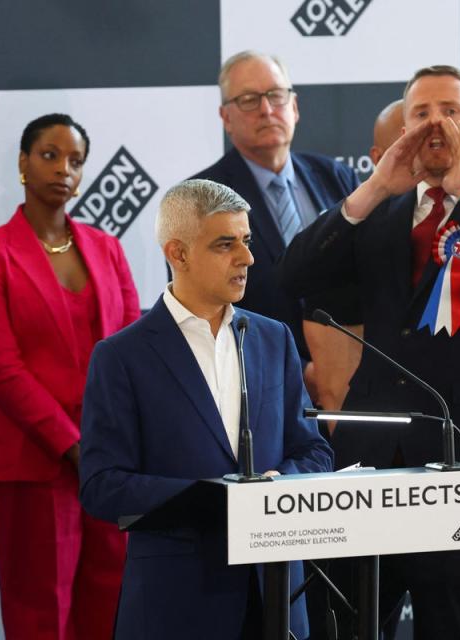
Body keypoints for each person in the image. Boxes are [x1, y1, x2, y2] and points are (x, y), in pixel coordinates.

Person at [278, 65, 460, 639]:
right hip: (371, 456)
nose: (434, 123)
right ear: (402, 129)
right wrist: (376, 187)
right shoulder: (375, 215)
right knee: (352, 623)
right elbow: (292, 275)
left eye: (450, 111)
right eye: (420, 113)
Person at [79, 178, 333, 640]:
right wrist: (212, 498)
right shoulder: (121, 356)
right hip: (177, 605)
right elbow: (102, 485)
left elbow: (312, 451)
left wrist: (280, 488)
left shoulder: (274, 339)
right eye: (225, 244)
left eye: (248, 241)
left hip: (276, 597)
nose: (248, 258)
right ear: (177, 254)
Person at [0, 113, 139, 640]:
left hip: (109, 460)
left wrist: (107, 444)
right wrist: (72, 445)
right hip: (34, 461)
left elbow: (131, 351)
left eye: (76, 160)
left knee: (110, 604)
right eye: (49, 155)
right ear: (22, 163)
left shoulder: (107, 248)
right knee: (40, 614)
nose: (64, 169)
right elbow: (0, 368)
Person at [191, 51, 362, 397]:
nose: (267, 110)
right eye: (249, 100)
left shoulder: (337, 178)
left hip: (351, 387)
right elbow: (202, 312)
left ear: (294, 107)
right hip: (257, 390)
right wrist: (300, 372)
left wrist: (338, 369)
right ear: (225, 117)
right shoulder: (201, 199)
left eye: (275, 96)